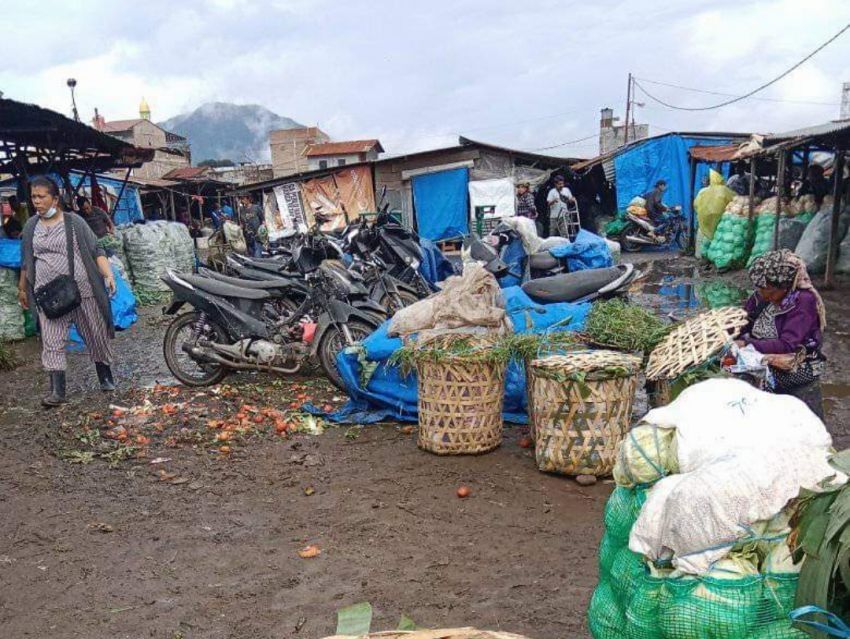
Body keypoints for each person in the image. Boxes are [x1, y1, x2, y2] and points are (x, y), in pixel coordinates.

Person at [18, 176, 117, 407]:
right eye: (34, 197)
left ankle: (105, 377)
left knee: (95, 334)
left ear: (55, 198)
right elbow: (26, 261)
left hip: (82, 291)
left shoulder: (74, 222)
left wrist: (108, 274)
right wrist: (22, 288)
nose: (37, 201)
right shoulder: (31, 226)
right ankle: (57, 391)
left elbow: (97, 248)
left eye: (42, 196)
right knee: (51, 340)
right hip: (49, 296)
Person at [736, 249, 826, 419]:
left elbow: (787, 344)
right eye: (760, 288)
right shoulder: (760, 296)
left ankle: (764, 425)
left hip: (801, 363)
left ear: (785, 286)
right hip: (762, 353)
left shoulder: (803, 301)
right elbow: (743, 322)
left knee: (750, 379)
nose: (763, 294)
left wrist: (748, 344)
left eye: (769, 290)